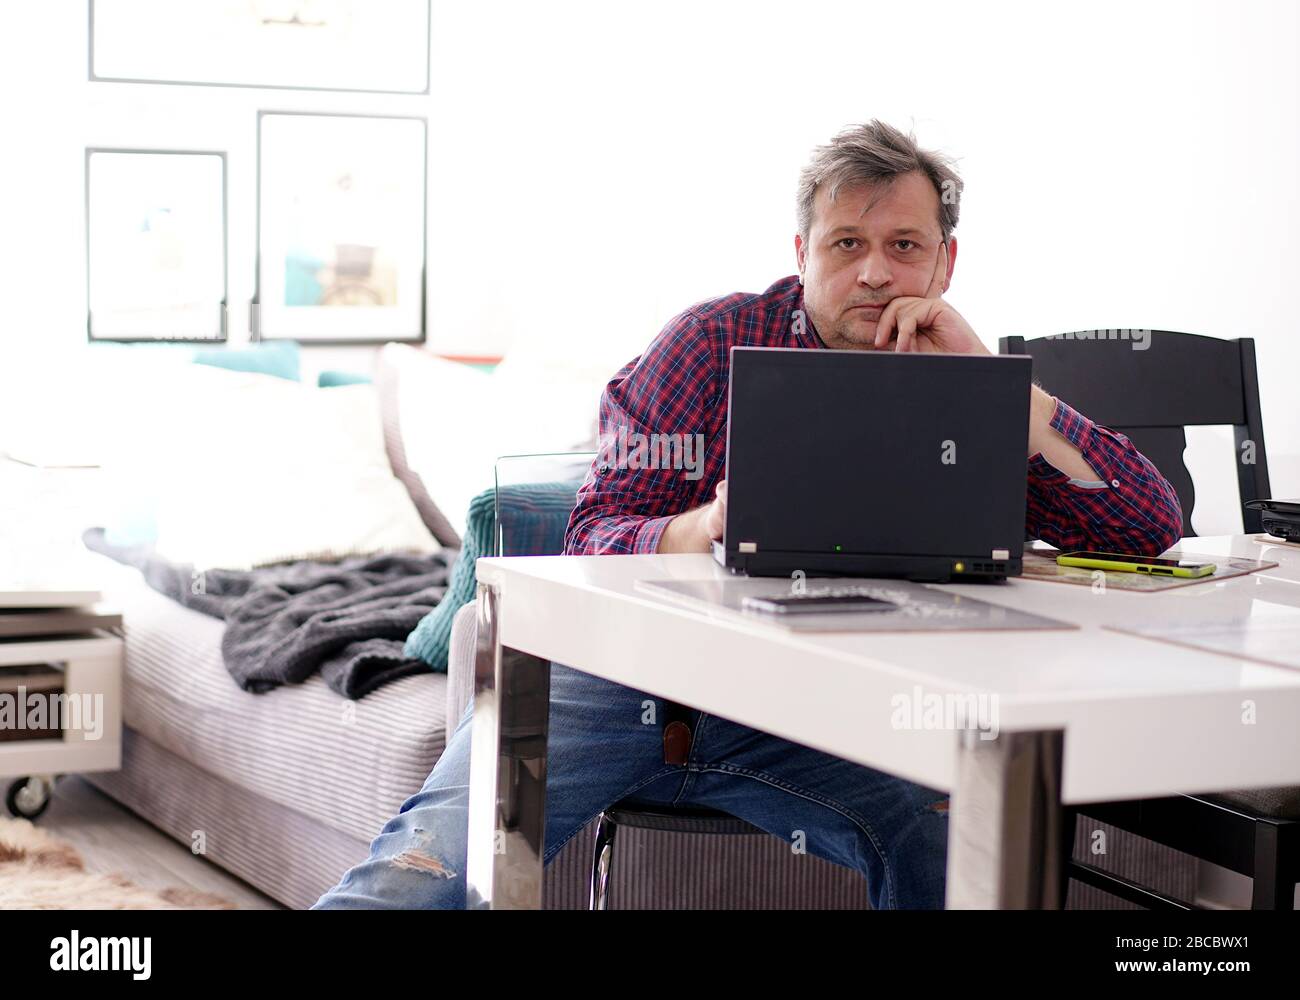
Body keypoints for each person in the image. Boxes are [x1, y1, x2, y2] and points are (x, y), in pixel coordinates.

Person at [313, 120, 1182, 910]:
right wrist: (701, 528)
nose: (875, 272)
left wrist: (1021, 407)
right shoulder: (706, 345)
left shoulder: (969, 382)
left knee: (966, 848)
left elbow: (1151, 530)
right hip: (628, 685)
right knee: (416, 879)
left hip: (827, 717)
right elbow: (593, 533)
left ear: (945, 264)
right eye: (848, 243)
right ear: (802, 252)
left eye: (903, 245)